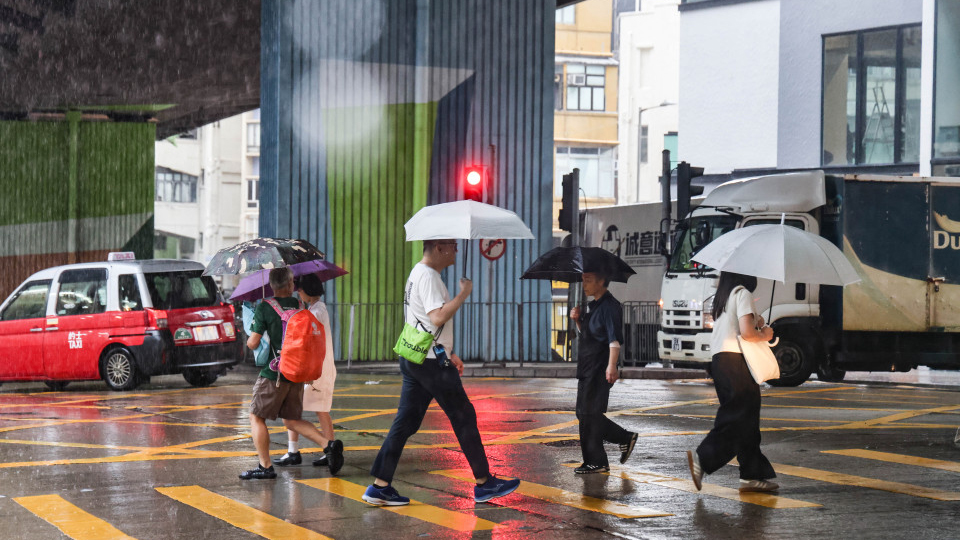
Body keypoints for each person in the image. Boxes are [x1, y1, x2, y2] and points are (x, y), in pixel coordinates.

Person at [362, 238, 521, 506]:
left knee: (406, 423)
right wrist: (463, 294)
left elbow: (421, 320)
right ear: (439, 248)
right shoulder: (430, 276)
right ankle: (484, 483)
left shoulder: (417, 272)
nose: (456, 250)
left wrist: (448, 351)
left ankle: (379, 486)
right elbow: (437, 317)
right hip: (431, 364)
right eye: (453, 246)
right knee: (464, 416)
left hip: (418, 356)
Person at [241, 267, 344, 480]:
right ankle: (329, 445)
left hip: (274, 373)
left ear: (271, 286)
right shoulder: (301, 305)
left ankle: (265, 466)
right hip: (296, 372)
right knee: (291, 419)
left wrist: (254, 328)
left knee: (256, 416)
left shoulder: (265, 307)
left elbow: (253, 343)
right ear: (290, 285)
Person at [687, 271, 778, 493]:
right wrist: (765, 334)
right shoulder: (743, 293)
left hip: (721, 361)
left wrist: (757, 321)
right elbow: (747, 334)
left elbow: (741, 325)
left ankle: (752, 475)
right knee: (738, 416)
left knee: (745, 418)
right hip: (735, 360)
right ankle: (703, 457)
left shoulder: (725, 296)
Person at [569, 271, 638, 474]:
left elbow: (613, 340)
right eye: (583, 280)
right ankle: (621, 439)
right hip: (587, 367)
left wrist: (612, 366)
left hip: (598, 368)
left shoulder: (609, 306)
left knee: (590, 414)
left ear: (602, 281)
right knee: (584, 414)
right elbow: (590, 336)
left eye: (588, 280)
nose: (584, 285)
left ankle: (597, 461)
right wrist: (578, 320)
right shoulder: (594, 307)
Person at [273, 273, 338, 468]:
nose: (298, 293)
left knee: (302, 409)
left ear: (306, 291)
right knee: (311, 409)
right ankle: (302, 451)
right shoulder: (315, 309)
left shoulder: (316, 312)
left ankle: (323, 450)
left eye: (299, 290)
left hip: (315, 370)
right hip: (316, 368)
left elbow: (306, 338)